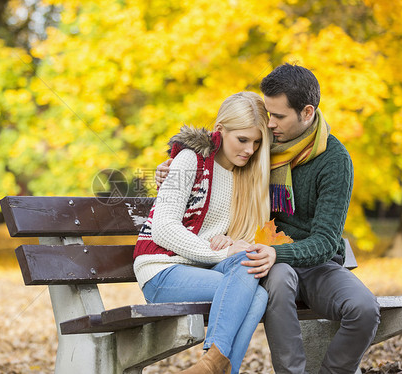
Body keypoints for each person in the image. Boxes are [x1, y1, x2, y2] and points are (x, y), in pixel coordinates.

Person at [155, 63, 380, 374]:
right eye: (268, 114)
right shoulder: (260, 144)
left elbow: (327, 241)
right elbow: (216, 145)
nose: (270, 124)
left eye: (278, 116)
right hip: (265, 259)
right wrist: (172, 166)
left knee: (365, 309)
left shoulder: (334, 160)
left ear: (307, 113)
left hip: (314, 262)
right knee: (280, 277)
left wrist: (279, 252)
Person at [134, 91, 272, 374]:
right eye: (242, 139)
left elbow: (226, 237)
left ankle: (212, 364)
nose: (249, 149)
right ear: (220, 129)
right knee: (250, 281)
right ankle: (214, 367)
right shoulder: (190, 161)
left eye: (257, 142)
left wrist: (230, 242)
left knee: (254, 283)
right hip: (162, 270)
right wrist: (218, 250)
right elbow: (163, 229)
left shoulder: (244, 176)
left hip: (205, 269)